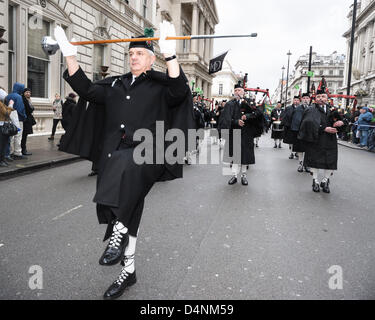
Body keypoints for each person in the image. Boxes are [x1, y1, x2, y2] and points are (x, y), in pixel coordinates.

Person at [55, 22, 194, 300]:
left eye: (139, 54)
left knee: (126, 170)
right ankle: (128, 270)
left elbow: (179, 91)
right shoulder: (115, 85)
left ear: (150, 59)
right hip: (115, 155)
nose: (133, 57)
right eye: (130, 54)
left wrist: (170, 55)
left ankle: (116, 229)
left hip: (149, 154)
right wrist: (69, 55)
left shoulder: (159, 85)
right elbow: (86, 89)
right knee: (130, 207)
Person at [298, 90, 344, 193]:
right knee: (315, 162)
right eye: (318, 96)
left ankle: (325, 180)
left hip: (330, 140)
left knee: (330, 161)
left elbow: (341, 122)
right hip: (315, 140)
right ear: (315, 99)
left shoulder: (333, 110)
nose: (320, 98)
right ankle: (315, 181)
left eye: (323, 96)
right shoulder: (311, 110)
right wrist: (323, 128)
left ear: (327, 98)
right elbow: (307, 124)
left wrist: (341, 123)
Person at [221, 82, 263, 186]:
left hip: (246, 133)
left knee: (245, 155)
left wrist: (247, 116)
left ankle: (244, 175)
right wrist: (236, 122)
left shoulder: (249, 102)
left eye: (239, 90)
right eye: (235, 90)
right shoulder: (230, 104)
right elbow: (226, 119)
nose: (237, 92)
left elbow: (258, 113)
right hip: (235, 132)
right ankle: (234, 176)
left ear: (243, 92)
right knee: (235, 155)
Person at [5, 83, 27, 160]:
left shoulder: (8, 96)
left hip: (8, 119)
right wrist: (24, 116)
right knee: (18, 136)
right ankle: (17, 152)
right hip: (18, 119)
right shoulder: (19, 97)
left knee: (10, 136)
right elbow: (21, 109)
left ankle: (9, 152)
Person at [292, 93, 311, 173]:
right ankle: (300, 164)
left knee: (308, 150)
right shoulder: (298, 109)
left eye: (307, 98)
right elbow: (296, 120)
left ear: (309, 99)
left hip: (309, 133)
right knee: (300, 150)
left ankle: (306, 165)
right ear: (301, 100)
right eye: (304, 98)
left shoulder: (312, 108)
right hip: (300, 132)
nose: (306, 100)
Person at [0, 100, 15, 167]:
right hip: (1, 125)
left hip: (3, 124)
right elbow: (6, 113)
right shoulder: (0, 103)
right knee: (2, 144)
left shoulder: (2, 103)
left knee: (4, 143)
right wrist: (11, 105)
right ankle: (1, 161)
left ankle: (2, 159)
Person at [21, 88, 36, 156]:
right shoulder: (24, 100)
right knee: (24, 135)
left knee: (25, 135)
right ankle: (23, 150)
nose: (28, 93)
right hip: (25, 120)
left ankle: (23, 149)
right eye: (26, 92)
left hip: (27, 119)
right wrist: (32, 108)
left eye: (29, 92)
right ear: (24, 93)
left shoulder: (28, 100)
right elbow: (30, 109)